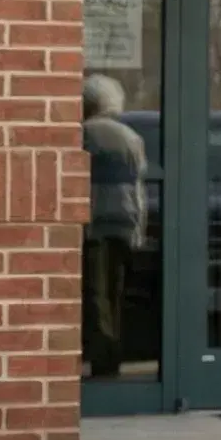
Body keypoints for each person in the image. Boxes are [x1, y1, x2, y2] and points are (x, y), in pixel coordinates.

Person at [79, 74, 148, 379]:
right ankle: (113, 356)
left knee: (96, 294)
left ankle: (103, 360)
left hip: (94, 224)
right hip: (125, 220)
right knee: (116, 292)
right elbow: (139, 185)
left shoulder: (84, 135)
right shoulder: (131, 137)